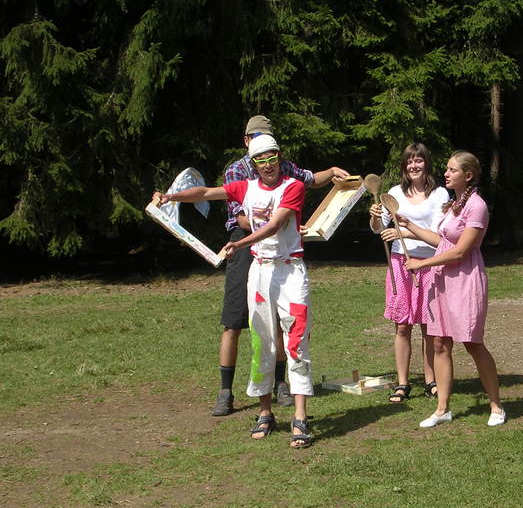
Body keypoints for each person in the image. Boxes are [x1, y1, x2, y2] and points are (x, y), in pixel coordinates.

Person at [155, 134, 318, 447]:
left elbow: (275, 225)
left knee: (296, 342)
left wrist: (239, 243)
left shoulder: (293, 186)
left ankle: (300, 417)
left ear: (280, 157)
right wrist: (170, 197)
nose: (268, 165)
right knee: (262, 341)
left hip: (290, 272)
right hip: (260, 272)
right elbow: (206, 192)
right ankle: (265, 412)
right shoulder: (245, 187)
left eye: (272, 158)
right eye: (261, 160)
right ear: (253, 163)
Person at [214, 115, 349, 416]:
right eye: (256, 138)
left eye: (268, 139)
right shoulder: (236, 171)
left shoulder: (283, 166)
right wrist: (277, 222)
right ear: (247, 141)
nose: (266, 158)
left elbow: (309, 179)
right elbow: (241, 218)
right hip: (245, 241)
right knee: (235, 319)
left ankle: (280, 384)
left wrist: (332, 172)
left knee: (279, 322)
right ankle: (225, 391)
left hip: (281, 251)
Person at [402, 150, 505, 427]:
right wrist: (409, 226)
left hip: (465, 279)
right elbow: (443, 242)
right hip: (444, 280)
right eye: (447, 169)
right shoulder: (454, 204)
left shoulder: (477, 206)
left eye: (452, 170)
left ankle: (496, 406)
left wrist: (422, 263)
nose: (446, 174)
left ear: (467, 175)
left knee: (472, 343)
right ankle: (442, 409)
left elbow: (461, 251)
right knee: (439, 342)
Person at [369, 143, 448, 402]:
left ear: (427, 163)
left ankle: (430, 380)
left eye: (419, 160)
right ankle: (402, 383)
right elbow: (379, 229)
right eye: (410, 161)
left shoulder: (439, 194)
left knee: (428, 325)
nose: (414, 165)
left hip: (430, 262)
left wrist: (403, 232)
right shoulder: (394, 193)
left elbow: (438, 234)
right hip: (400, 262)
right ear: (404, 166)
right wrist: (375, 216)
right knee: (402, 325)